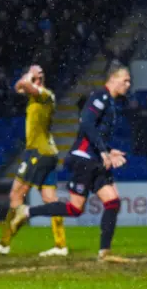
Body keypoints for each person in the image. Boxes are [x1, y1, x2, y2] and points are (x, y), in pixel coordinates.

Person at [10, 63, 132, 263]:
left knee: (111, 203)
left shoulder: (109, 101)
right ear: (112, 78)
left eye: (129, 81)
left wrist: (108, 150)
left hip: (94, 158)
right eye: (125, 80)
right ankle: (28, 211)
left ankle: (104, 252)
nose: (128, 84)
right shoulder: (100, 96)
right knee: (78, 208)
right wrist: (103, 151)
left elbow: (94, 132)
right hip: (84, 158)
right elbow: (86, 123)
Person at [0, 65, 68, 257]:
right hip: (48, 153)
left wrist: (30, 76)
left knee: (16, 195)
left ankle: (3, 243)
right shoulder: (38, 96)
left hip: (38, 152)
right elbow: (17, 87)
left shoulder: (43, 94)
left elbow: (23, 85)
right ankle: (60, 245)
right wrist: (29, 77)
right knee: (50, 200)